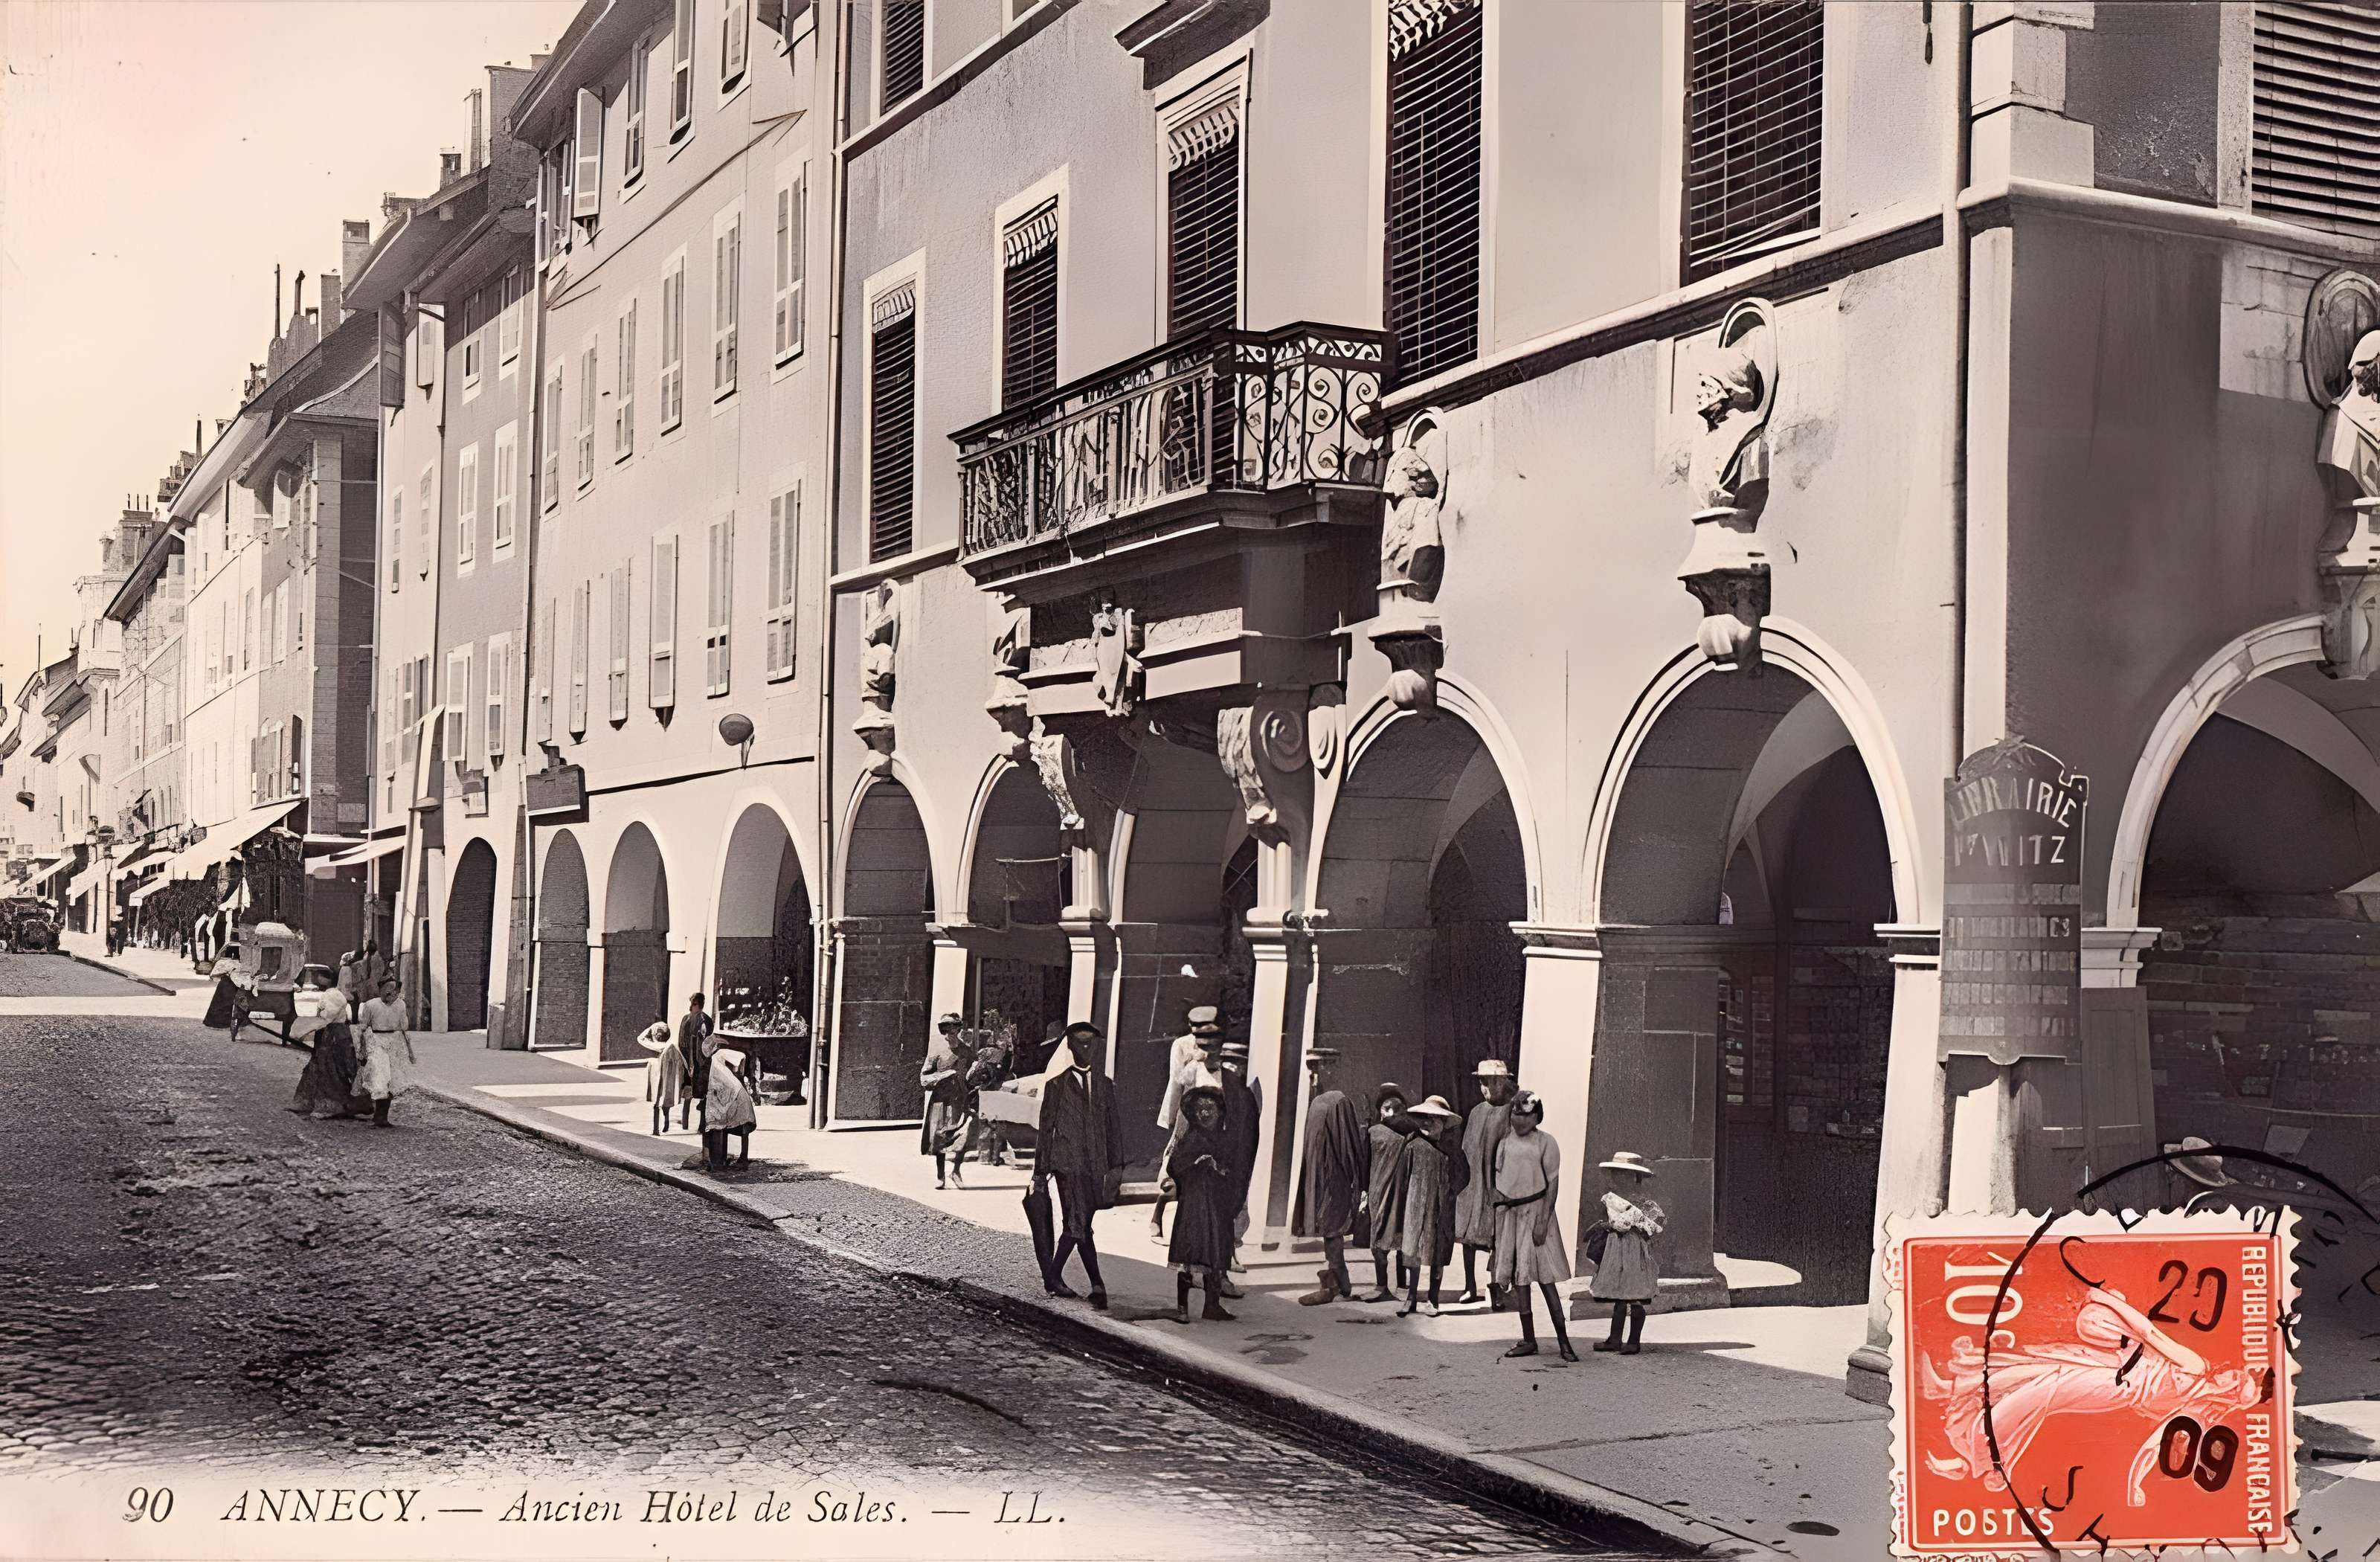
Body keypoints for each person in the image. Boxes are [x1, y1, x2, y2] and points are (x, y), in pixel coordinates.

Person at [1035, 1022, 1122, 1310]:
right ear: (1070, 1047)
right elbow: (1046, 1130)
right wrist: (1039, 1172)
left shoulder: (1105, 1085)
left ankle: (1091, 1285)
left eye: (1090, 1043)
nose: (1086, 1048)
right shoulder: (1057, 1085)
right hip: (1067, 1166)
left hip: (1096, 1167)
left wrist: (1116, 1168)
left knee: (1082, 1224)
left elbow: (1113, 1129)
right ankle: (1060, 1278)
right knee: (1077, 1222)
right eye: (1080, 1043)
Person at [1491, 1093, 1575, 1361]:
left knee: (1546, 1280)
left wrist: (1542, 1221)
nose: (1519, 1120)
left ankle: (1564, 1342)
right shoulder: (1504, 1143)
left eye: (1526, 1115)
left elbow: (1553, 1184)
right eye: (1515, 1114)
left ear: (1537, 1116)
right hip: (1511, 1216)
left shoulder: (1546, 1143)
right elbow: (1500, 1182)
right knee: (1520, 1279)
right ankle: (1529, 1339)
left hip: (1538, 1213)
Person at [1294, 1048, 1368, 1305]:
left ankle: (1338, 1283)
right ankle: (1337, 1281)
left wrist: (1352, 1183)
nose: (1314, 1076)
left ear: (1331, 1068)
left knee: (1332, 1230)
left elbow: (1348, 1148)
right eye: (1311, 1070)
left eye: (1319, 1069)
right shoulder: (1317, 1101)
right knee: (1328, 1231)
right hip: (1318, 1179)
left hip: (1334, 1181)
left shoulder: (1339, 1101)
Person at [1162, 1086, 1240, 1323]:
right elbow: (1173, 1167)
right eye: (1201, 1110)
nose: (1206, 1114)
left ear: (1219, 1112)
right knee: (1188, 1255)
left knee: (1215, 1254)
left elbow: (1235, 1171)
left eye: (1210, 1109)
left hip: (1217, 1207)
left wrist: (1219, 1169)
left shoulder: (1224, 1141)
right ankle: (1182, 1308)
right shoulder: (1191, 1139)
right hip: (1193, 1207)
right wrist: (1195, 1165)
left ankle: (1212, 1306)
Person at [1150, 1006, 1226, 1244]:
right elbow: (1176, 1082)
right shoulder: (1182, 1045)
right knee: (1180, 1168)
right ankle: (1158, 1213)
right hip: (1190, 1112)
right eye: (1195, 1025)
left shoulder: (1221, 1047)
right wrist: (1171, 1117)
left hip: (1214, 1117)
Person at [1395, 1095, 1470, 1317]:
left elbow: (1464, 1176)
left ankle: (1433, 1299)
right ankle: (1411, 1298)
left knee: (1438, 1253)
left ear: (1444, 1123)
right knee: (1413, 1252)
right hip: (1415, 1207)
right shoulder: (1412, 1147)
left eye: (1434, 1119)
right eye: (1424, 1118)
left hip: (1442, 1209)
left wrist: (1449, 1193)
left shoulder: (1453, 1151)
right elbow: (1402, 1178)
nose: (1427, 1123)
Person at [1456, 1058, 1518, 1308]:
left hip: (1498, 1186)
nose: (1487, 1088)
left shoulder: (1511, 1112)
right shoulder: (1476, 1112)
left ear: (1504, 1082)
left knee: (1499, 1239)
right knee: (1468, 1236)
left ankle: (1497, 1288)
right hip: (1474, 1184)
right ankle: (1470, 1286)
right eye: (1483, 1082)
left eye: (1493, 1082)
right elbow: (1466, 1148)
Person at [1590, 1150, 1664, 1354]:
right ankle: (1614, 1339)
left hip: (1635, 1251)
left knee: (1636, 1295)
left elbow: (1655, 1225)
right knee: (1620, 1295)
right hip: (1616, 1250)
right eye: (1616, 1173)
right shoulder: (1610, 1199)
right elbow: (1606, 1221)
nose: (1619, 1178)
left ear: (1636, 1177)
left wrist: (1637, 1225)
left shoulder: (1645, 1204)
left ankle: (1633, 1341)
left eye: (1625, 1174)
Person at [286, 967, 366, 1120]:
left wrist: (303, 1031)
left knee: (331, 1069)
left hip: (335, 1035)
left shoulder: (333, 995)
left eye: (321, 977)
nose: (318, 980)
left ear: (328, 979)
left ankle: (332, 1105)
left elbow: (326, 1018)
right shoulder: (332, 994)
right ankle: (310, 1101)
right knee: (321, 1067)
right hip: (331, 1034)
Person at [1363, 1082, 1415, 1302]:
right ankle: (1391, 1285)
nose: (1390, 1113)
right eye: (1387, 1109)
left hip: (1394, 1193)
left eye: (1395, 1109)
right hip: (1390, 1193)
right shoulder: (1378, 1133)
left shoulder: (1407, 1135)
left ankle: (1393, 1285)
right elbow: (1365, 1164)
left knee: (1393, 1240)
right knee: (1388, 1239)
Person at [919, 1013, 976, 1189]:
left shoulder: (966, 1051)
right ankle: (940, 1175)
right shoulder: (936, 1051)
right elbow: (924, 1079)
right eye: (945, 1029)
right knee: (940, 1137)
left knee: (962, 1136)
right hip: (941, 1101)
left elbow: (972, 1076)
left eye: (952, 1028)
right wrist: (944, 1075)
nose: (949, 1032)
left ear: (958, 1029)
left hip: (961, 1100)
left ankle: (956, 1171)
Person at [354, 974, 416, 1128]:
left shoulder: (401, 1005)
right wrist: (361, 1050)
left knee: (392, 1081)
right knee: (379, 1078)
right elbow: (363, 1029)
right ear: (381, 989)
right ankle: (377, 1115)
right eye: (388, 988)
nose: (392, 992)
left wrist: (410, 1052)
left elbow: (404, 1029)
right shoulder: (371, 1005)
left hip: (395, 1043)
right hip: (377, 1042)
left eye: (395, 989)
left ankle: (383, 1117)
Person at [702, 1038, 758, 1172]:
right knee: (739, 1126)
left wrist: (739, 1074)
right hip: (735, 1094)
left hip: (737, 1095)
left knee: (742, 1126)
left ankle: (742, 1159)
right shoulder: (717, 1061)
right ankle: (739, 1159)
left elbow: (741, 1056)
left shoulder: (719, 1054)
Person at [675, 992, 715, 1127]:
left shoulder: (706, 1021)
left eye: (694, 1004)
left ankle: (701, 1125)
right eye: (691, 1004)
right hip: (689, 1061)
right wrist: (686, 1061)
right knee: (689, 1092)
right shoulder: (687, 1019)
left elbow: (708, 1044)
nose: (691, 1007)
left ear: (700, 1005)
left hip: (701, 1063)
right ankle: (685, 1122)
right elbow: (681, 1042)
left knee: (702, 1094)